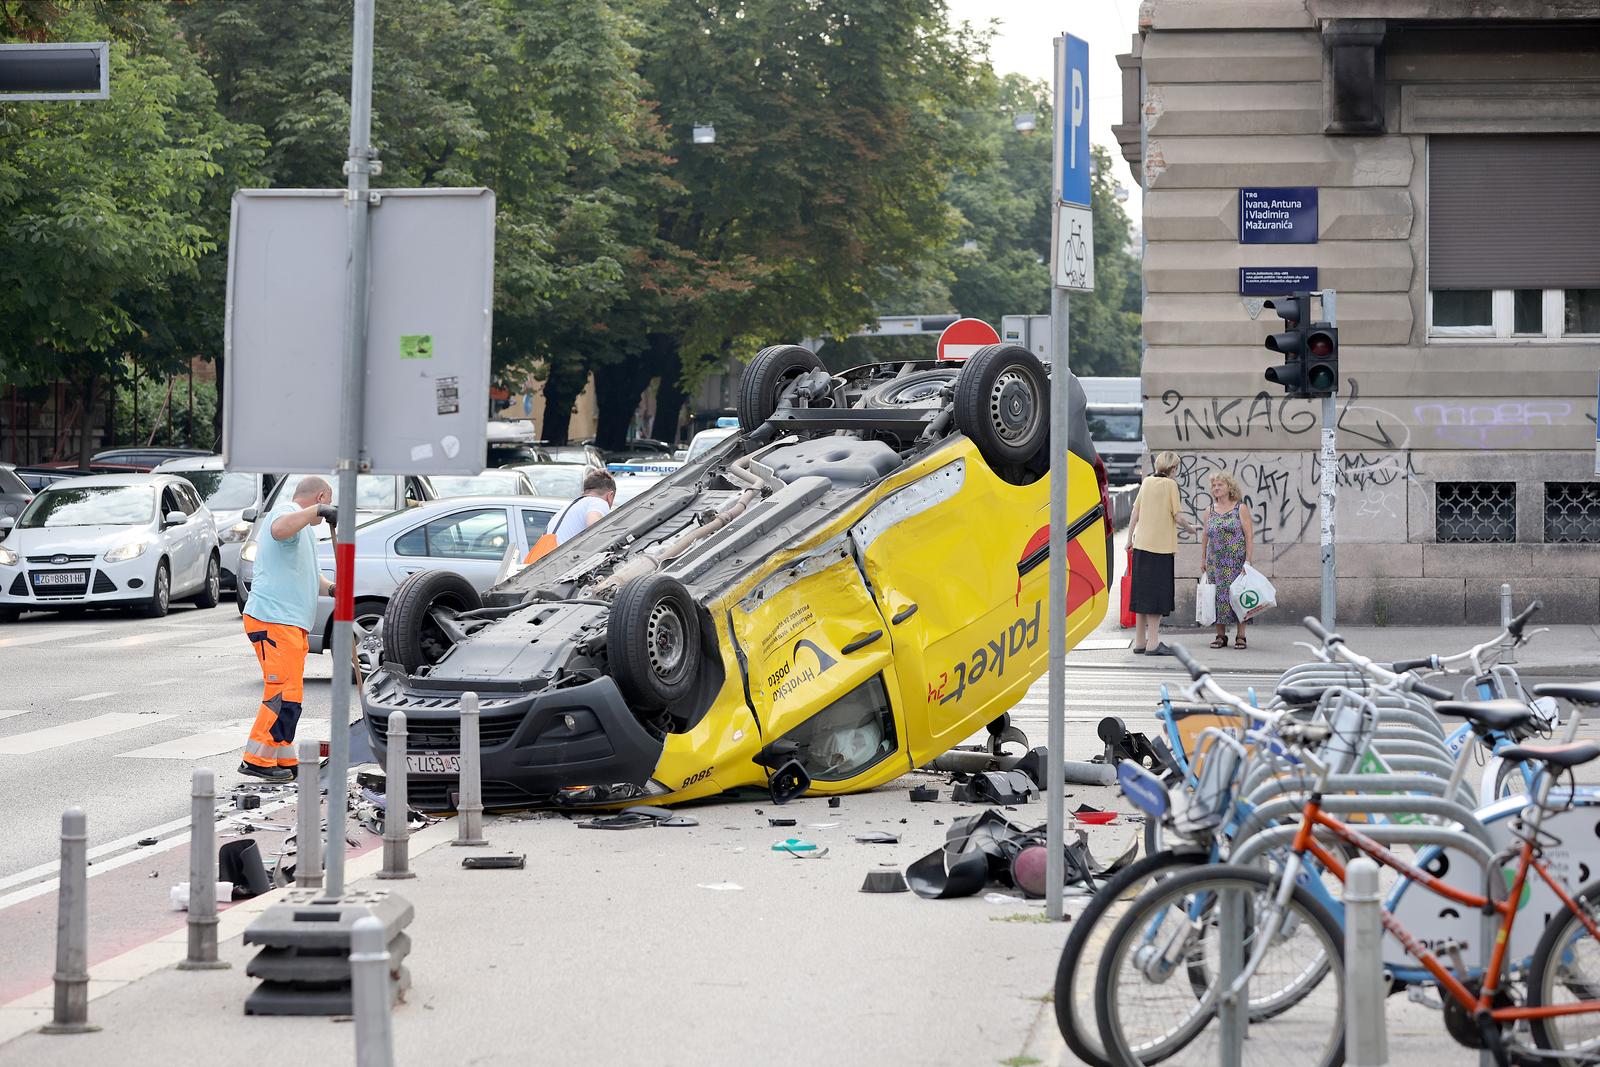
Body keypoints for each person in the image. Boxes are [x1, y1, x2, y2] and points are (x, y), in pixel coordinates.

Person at [238, 477, 335, 781]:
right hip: (274, 619)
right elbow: (279, 528)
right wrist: (317, 510)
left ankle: (282, 755)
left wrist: (331, 589)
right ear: (320, 497)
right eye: (325, 503)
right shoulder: (287, 511)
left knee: (291, 693)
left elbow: (308, 573)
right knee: (281, 692)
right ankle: (256, 758)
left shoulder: (302, 528)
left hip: (288, 622)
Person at [1126, 451, 1200, 656]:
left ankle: (1140, 642)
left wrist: (1128, 539)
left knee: (1141, 595)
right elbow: (1177, 517)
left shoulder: (1147, 482)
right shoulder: (1170, 485)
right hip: (1161, 548)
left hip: (1141, 545)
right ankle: (1153, 643)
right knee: (1157, 597)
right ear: (1173, 468)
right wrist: (1190, 528)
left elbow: (1135, 512)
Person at [1200, 470, 1255, 649]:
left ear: (1229, 487)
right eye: (1214, 485)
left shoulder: (1241, 508)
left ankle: (1241, 635)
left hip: (1236, 562)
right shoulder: (1209, 510)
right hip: (1215, 562)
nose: (1216, 488)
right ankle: (1221, 636)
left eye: (1220, 485)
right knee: (1217, 597)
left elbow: (1249, 536)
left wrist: (1248, 560)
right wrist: (1203, 559)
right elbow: (1205, 536)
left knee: (1238, 597)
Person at [546, 469, 616, 547]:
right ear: (610, 496)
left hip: (541, 556)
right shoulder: (598, 501)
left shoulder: (570, 507)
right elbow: (594, 524)